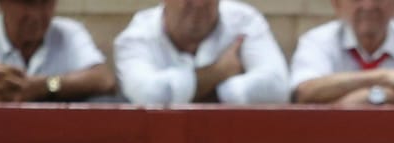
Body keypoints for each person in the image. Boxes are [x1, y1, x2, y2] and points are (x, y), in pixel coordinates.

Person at [114, 0, 289, 106]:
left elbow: (277, 88)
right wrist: (220, 73)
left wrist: (202, 93)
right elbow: (149, 96)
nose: (199, 3)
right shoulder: (135, 37)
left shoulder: (245, 21)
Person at [289, 0, 394, 105]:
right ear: (337, 4)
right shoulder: (317, 40)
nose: (369, 5)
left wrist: (373, 97)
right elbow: (304, 93)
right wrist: (385, 77)